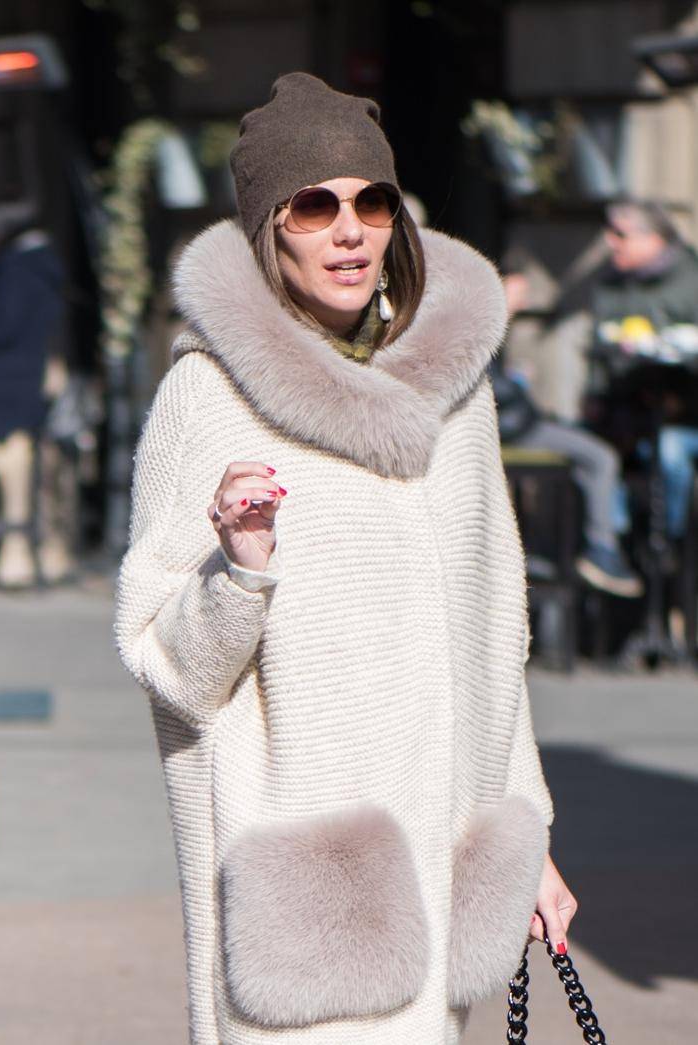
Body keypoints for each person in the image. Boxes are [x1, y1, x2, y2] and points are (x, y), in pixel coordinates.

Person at [114, 73, 575, 1043]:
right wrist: (237, 571)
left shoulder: (456, 396)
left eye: (370, 201)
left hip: (444, 870)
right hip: (308, 891)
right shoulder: (209, 398)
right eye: (313, 205)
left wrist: (525, 831)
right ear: (266, 228)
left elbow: (496, 635)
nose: (348, 230)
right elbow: (167, 666)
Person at [496, 268, 642, 597]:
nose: (522, 302)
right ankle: (603, 548)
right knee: (601, 456)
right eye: (515, 293)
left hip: (522, 424)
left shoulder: (497, 329)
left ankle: (596, 539)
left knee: (590, 449)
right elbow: (500, 398)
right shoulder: (483, 327)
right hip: (517, 431)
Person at [0, 202, 74, 587]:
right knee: (33, 479)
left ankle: (12, 560)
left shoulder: (16, 269)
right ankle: (43, 556)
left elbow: (0, 328)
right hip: (26, 389)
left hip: (0, 390)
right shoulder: (45, 267)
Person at [591, 198, 698, 543]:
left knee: (668, 453)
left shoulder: (690, 278)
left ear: (653, 239)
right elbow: (598, 350)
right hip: (627, 409)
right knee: (593, 451)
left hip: (684, 415)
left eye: (620, 234)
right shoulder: (610, 281)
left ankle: (669, 545)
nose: (610, 241)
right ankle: (613, 549)